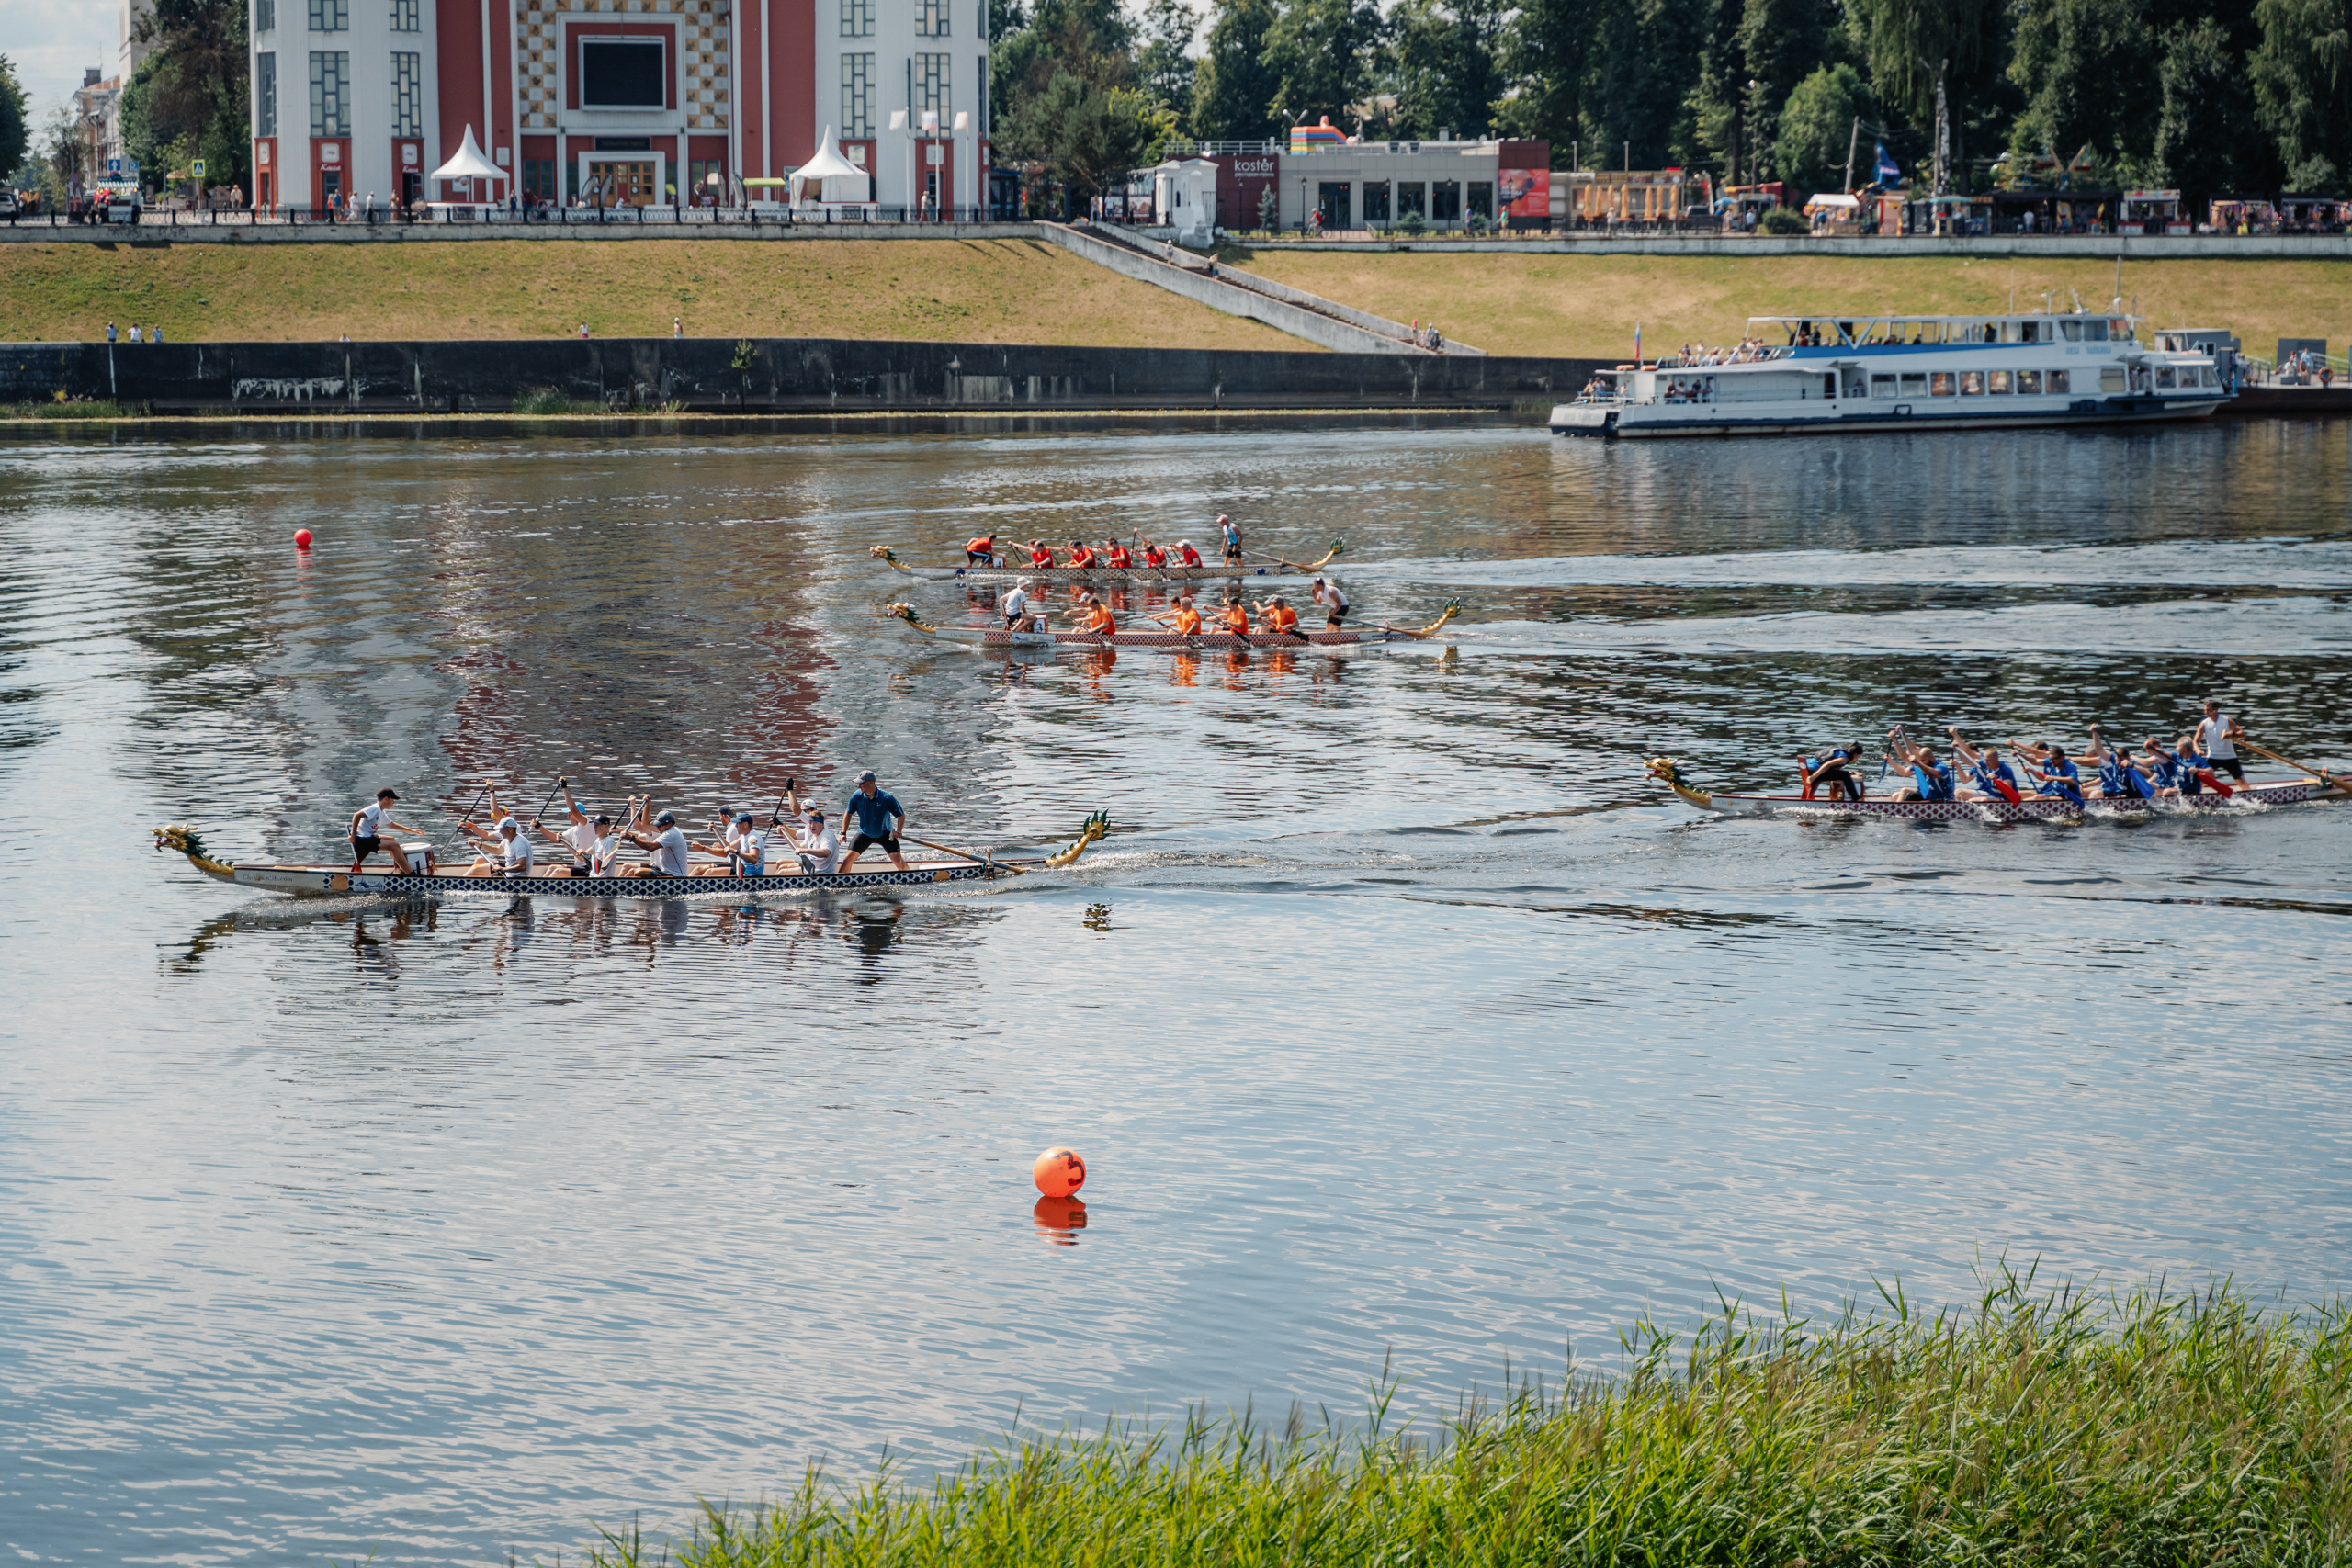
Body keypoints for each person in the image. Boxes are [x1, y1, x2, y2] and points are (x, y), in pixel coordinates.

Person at [839, 771, 909, 873]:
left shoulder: (887, 798)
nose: (859, 786)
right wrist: (843, 833)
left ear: (871, 783)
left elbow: (901, 815)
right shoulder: (856, 797)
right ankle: (841, 881)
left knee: (898, 861)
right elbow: (848, 814)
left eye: (861, 783)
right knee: (847, 859)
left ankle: (909, 876)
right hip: (864, 834)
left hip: (885, 834)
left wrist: (899, 830)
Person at [529, 781, 605, 874]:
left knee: (558, 871)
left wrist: (564, 788)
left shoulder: (587, 823)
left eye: (569, 814)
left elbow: (572, 807)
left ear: (577, 814)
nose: (567, 817)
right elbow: (555, 838)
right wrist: (539, 826)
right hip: (580, 866)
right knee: (552, 867)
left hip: (590, 868)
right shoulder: (574, 830)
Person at [349, 787, 427, 873]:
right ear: (386, 799)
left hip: (367, 837)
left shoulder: (381, 812)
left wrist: (411, 830)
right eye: (393, 799)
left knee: (391, 839)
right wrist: (353, 835)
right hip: (362, 839)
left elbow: (392, 825)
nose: (393, 802)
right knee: (395, 846)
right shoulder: (375, 808)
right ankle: (411, 875)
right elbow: (356, 815)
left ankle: (400, 868)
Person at [1944, 728, 2022, 803]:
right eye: (1985, 760)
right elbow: (1966, 760)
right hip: (1991, 794)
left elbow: (2008, 788)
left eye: (1989, 760)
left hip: (2005, 799)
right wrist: (1957, 747)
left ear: (1996, 760)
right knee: (1959, 792)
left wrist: (1996, 778)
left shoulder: (2005, 769)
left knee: (1977, 801)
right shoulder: (1984, 763)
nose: (1986, 763)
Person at [618, 806, 693, 877]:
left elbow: (651, 847)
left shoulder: (670, 834)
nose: (657, 828)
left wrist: (632, 838)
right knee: (630, 868)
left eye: (660, 825)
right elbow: (646, 824)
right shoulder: (671, 831)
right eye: (657, 825)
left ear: (669, 824)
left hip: (675, 876)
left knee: (638, 872)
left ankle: (619, 888)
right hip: (664, 871)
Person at [1883, 728, 1953, 802]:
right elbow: (1903, 772)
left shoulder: (1941, 767)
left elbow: (1933, 774)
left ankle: (1896, 811)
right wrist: (1890, 760)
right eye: (1921, 761)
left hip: (1941, 799)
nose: (1922, 762)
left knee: (1905, 790)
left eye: (1923, 760)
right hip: (1927, 795)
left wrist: (1918, 763)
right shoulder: (1922, 765)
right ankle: (1898, 809)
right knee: (1896, 795)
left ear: (1930, 757)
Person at [462, 815, 535, 877]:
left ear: (510, 829)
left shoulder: (519, 843)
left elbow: (522, 866)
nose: (500, 832)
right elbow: (497, 850)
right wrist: (479, 845)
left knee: (476, 869)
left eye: (501, 830)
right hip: (508, 870)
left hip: (515, 877)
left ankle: (460, 882)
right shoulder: (508, 839)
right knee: (479, 860)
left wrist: (503, 869)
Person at [2195, 698, 2245, 780]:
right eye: (2205, 710)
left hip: (2229, 756)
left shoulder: (2226, 720)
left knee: (2240, 780)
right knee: (2202, 779)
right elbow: (2195, 741)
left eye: (2209, 710)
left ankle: (2246, 791)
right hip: (2213, 756)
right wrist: (2198, 750)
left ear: (2216, 709)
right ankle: (2198, 792)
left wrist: (2232, 734)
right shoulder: (2204, 724)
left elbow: (2242, 734)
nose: (2206, 713)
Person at [1796, 744, 1865, 802]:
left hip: (1807, 767)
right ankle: (1857, 799)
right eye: (1858, 757)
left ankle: (1807, 799)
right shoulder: (1843, 759)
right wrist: (1813, 777)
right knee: (1845, 775)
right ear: (1855, 754)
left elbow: (1835, 772)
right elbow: (1828, 764)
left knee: (1842, 774)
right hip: (1813, 771)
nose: (1857, 759)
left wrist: (1852, 772)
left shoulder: (1840, 751)